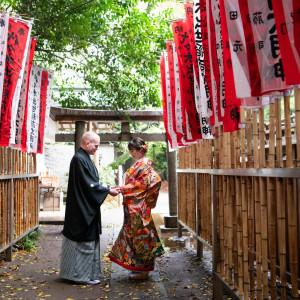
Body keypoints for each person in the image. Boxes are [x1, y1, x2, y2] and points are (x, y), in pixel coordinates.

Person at [59, 131, 119, 285]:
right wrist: (107, 190)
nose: (97, 148)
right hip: (80, 209)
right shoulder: (79, 159)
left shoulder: (83, 158)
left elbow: (92, 182)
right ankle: (79, 276)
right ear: (87, 143)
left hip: (85, 206)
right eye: (96, 145)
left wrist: (106, 187)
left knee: (90, 241)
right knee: (83, 242)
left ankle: (89, 274)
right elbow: (88, 184)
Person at [108, 137, 164, 280]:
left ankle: (143, 270)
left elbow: (141, 186)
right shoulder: (141, 164)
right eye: (130, 150)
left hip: (139, 207)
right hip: (134, 206)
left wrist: (122, 188)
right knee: (134, 236)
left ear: (140, 150)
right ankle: (138, 268)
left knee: (140, 237)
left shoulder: (143, 165)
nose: (131, 153)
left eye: (133, 150)